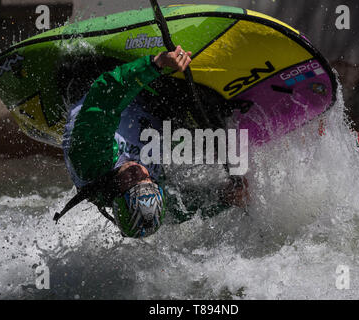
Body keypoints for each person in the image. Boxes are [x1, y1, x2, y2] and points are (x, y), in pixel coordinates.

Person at [55, 45, 248, 238]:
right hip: (149, 108)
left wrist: (156, 64)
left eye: (133, 183)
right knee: (203, 136)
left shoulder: (89, 159)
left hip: (100, 78)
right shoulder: (144, 190)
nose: (140, 174)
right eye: (148, 182)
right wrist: (225, 198)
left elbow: (104, 99)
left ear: (116, 196)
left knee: (189, 108)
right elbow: (181, 209)